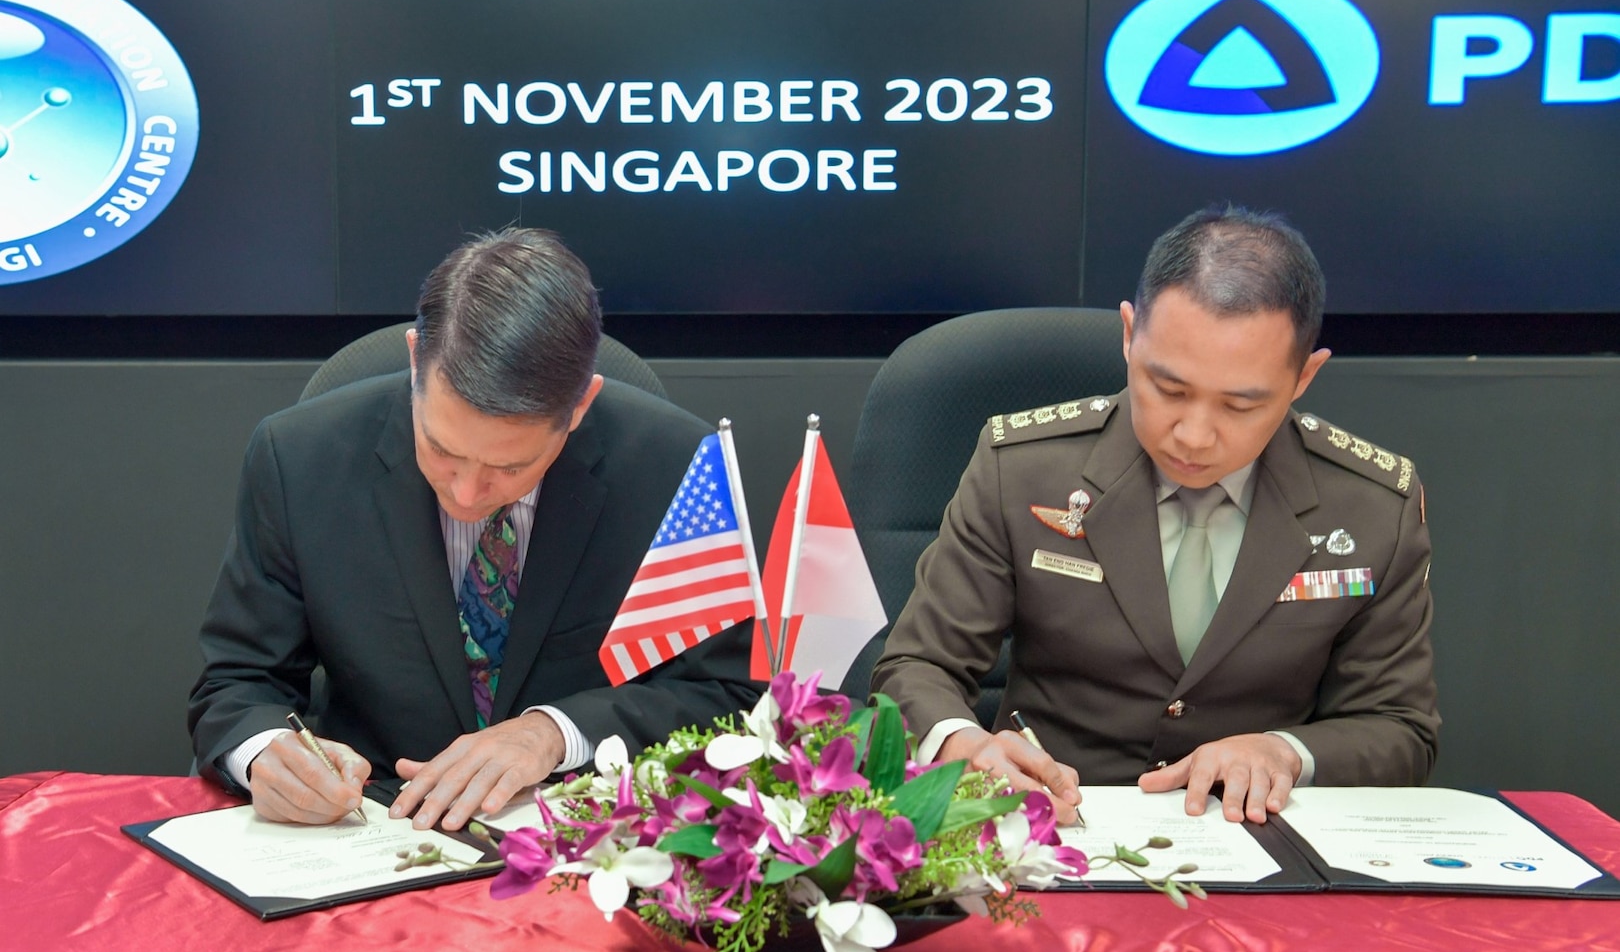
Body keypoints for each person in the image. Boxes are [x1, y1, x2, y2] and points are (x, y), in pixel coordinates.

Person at [871, 206, 1439, 826]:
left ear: (1304, 376)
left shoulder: (1372, 505)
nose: (1194, 436)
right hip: (1051, 828)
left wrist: (1285, 752)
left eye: (1241, 405)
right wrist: (963, 744)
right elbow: (917, 665)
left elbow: (1401, 728)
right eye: (1168, 389)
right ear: (1128, 335)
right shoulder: (1024, 468)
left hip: (1253, 836)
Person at [189, 228, 757, 830]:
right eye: (441, 449)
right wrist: (264, 756)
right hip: (371, 826)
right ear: (415, 361)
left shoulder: (678, 467)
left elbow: (727, 696)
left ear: (581, 407)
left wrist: (554, 733)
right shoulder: (299, 458)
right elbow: (238, 682)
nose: (465, 493)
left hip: (582, 832)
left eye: (510, 467)